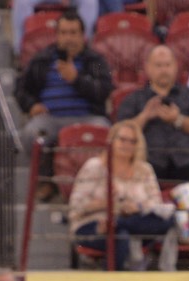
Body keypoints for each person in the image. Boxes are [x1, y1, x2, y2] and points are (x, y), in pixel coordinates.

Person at [16, 7, 113, 200]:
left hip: (88, 118)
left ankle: (98, 185)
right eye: (63, 33)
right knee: (31, 134)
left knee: (106, 131)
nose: (68, 38)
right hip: (51, 118)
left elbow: (104, 91)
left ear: (82, 35)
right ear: (57, 35)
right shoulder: (42, 59)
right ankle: (45, 181)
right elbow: (21, 89)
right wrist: (31, 105)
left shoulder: (97, 59)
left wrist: (76, 79)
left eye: (73, 33)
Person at [67, 119, 178, 271]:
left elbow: (155, 203)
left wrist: (136, 207)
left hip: (133, 221)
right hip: (95, 224)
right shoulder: (95, 167)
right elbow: (76, 206)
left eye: (132, 141)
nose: (127, 145)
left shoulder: (144, 170)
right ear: (111, 140)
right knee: (121, 237)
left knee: (168, 219)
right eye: (122, 139)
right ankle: (112, 280)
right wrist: (107, 203)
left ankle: (117, 222)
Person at [116, 45, 189, 191]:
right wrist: (145, 116)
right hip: (149, 162)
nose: (164, 70)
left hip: (186, 162)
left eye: (168, 65)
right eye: (158, 65)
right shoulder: (134, 98)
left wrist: (178, 119)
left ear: (176, 67)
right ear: (147, 68)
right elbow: (119, 132)